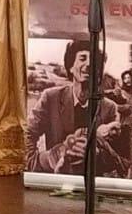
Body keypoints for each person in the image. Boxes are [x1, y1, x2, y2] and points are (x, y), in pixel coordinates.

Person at [25, 40, 121, 175]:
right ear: (70, 66)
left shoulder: (109, 108)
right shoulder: (51, 98)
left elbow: (116, 159)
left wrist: (96, 153)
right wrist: (44, 161)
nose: (89, 64)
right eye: (82, 58)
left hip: (91, 182)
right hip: (56, 180)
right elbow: (27, 134)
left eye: (94, 60)